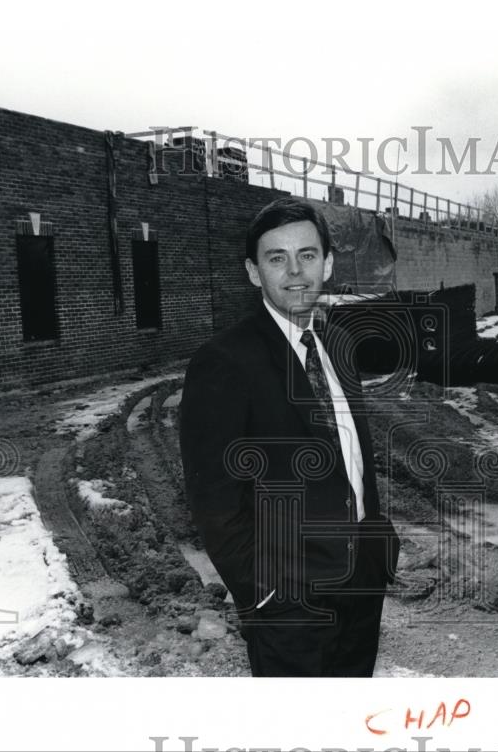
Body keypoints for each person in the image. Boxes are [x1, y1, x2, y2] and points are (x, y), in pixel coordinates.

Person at [179, 196, 399, 677]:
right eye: (276, 258)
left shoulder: (338, 345)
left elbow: (353, 460)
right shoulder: (224, 361)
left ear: (328, 263)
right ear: (254, 272)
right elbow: (214, 501)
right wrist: (264, 596)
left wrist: (376, 551)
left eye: (307, 255)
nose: (295, 272)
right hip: (289, 602)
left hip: (362, 580)